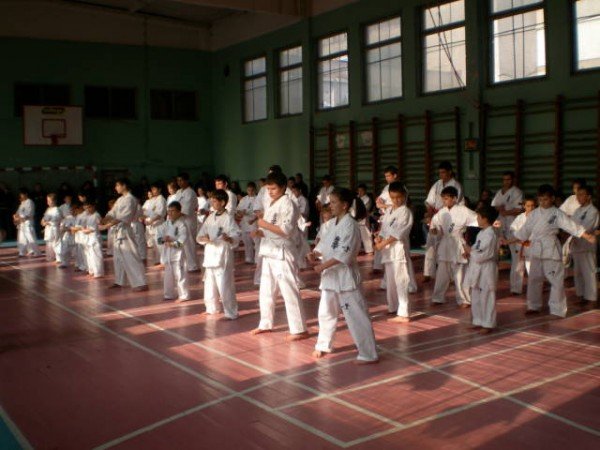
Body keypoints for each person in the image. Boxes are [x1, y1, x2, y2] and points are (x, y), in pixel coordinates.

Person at [308, 188, 379, 364]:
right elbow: (325, 245)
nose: (330, 205)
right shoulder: (332, 224)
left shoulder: (351, 225)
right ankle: (324, 345)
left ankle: (368, 353)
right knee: (325, 313)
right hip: (330, 277)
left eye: (333, 202)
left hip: (345, 278)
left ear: (345, 205)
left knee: (356, 316)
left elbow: (344, 254)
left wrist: (322, 266)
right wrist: (314, 254)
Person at [514, 184, 595, 317]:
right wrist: (511, 239)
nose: (543, 202)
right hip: (536, 248)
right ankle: (533, 305)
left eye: (545, 199)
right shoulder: (534, 213)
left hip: (551, 249)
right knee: (534, 279)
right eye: (540, 199)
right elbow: (525, 230)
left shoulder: (557, 213)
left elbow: (571, 226)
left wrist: (587, 236)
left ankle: (557, 309)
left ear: (552, 198)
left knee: (556, 280)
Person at [250, 172, 308, 340]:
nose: (270, 192)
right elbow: (270, 229)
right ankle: (265, 324)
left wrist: (264, 224)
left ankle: (299, 329)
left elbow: (285, 231)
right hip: (269, 251)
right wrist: (260, 232)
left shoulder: (289, 204)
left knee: (289, 290)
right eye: (268, 189)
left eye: (273, 188)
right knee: (266, 290)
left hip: (282, 252)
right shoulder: (271, 203)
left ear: (283, 187)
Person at [429, 186, 477, 307]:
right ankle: (438, 297)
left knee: (459, 274)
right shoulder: (442, 212)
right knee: (442, 273)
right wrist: (434, 230)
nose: (444, 201)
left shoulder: (463, 210)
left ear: (455, 198)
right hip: (445, 243)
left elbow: (478, 219)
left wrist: (492, 223)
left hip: (458, 243)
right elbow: (434, 225)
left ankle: (464, 299)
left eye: (446, 198)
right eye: (443, 199)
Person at [197, 189, 241, 318]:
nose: (212, 203)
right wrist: (204, 238)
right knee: (209, 283)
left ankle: (231, 312)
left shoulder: (228, 218)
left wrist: (230, 238)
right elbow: (200, 234)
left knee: (225, 284)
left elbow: (236, 234)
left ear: (222, 202)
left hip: (222, 253)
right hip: (210, 252)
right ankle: (211, 308)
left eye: (215, 201)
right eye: (211, 201)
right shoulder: (210, 217)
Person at [374, 182, 414, 323]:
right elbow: (384, 229)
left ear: (404, 196)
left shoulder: (405, 211)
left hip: (398, 249)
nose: (396, 200)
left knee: (401, 280)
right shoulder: (389, 211)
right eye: (393, 197)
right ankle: (393, 307)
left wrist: (383, 243)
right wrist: (379, 237)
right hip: (388, 251)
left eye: (399, 197)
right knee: (390, 281)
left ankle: (404, 313)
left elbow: (399, 233)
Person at [99, 179, 148, 291]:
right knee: (118, 258)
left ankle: (141, 283)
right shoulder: (120, 199)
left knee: (131, 257)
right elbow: (112, 213)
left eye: (117, 185)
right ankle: (119, 281)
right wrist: (103, 220)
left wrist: (106, 226)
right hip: (117, 231)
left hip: (125, 230)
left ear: (124, 186)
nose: (116, 188)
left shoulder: (130, 199)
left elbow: (123, 217)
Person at [424, 161, 464, 282]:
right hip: (436, 216)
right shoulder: (437, 184)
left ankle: (451, 275)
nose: (441, 175)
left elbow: (455, 204)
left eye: (443, 172)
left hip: (450, 218)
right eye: (440, 173)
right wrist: (430, 213)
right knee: (430, 244)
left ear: (450, 172)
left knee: (448, 246)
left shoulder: (456, 185)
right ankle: (428, 272)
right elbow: (429, 202)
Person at [464, 205, 499, 334]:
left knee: (487, 296)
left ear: (485, 219)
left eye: (478, 217)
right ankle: (478, 320)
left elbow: (484, 255)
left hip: (487, 269)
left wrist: (470, 251)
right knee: (476, 296)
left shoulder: (490, 235)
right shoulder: (481, 233)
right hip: (477, 268)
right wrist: (469, 252)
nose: (477, 219)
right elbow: (477, 249)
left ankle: (488, 323)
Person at [491, 171, 523, 294]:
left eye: (508, 179)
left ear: (513, 180)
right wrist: (500, 209)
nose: (506, 182)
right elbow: (495, 205)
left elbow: (519, 209)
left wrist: (506, 212)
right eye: (504, 179)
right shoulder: (500, 192)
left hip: (512, 223)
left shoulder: (517, 192)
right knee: (492, 247)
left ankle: (516, 288)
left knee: (516, 255)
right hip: (499, 221)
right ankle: (491, 283)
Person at [570, 185, 599, 305]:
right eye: (577, 194)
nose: (578, 197)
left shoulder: (593, 211)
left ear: (589, 196)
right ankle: (581, 295)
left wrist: (574, 232)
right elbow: (571, 225)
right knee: (578, 273)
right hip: (576, 244)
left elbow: (587, 228)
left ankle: (591, 298)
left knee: (589, 272)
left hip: (587, 245)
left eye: (581, 194)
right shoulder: (577, 211)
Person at [157, 201, 190, 302]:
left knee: (180, 275)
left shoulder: (182, 224)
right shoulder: (165, 224)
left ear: (179, 212)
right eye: (169, 211)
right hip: (167, 253)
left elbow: (183, 239)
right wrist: (163, 239)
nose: (170, 213)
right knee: (168, 275)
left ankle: (184, 295)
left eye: (173, 211)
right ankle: (168, 294)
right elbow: (158, 238)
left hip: (178, 253)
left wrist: (172, 243)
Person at [505, 196, 537, 294]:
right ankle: (515, 289)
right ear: (524, 206)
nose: (530, 208)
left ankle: (534, 289)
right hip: (520, 245)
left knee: (532, 268)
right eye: (528, 206)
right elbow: (513, 229)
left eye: (532, 206)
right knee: (517, 267)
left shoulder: (538, 217)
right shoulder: (520, 217)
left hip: (532, 245)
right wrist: (519, 236)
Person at [176, 173, 200, 272]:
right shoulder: (178, 192)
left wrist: (174, 215)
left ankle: (193, 266)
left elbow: (186, 209)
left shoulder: (190, 192)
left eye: (181, 180)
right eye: (178, 180)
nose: (179, 182)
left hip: (188, 220)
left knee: (189, 243)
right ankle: (185, 264)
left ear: (187, 181)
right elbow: (175, 205)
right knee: (182, 243)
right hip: (179, 220)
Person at [13, 188, 41, 257]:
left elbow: (29, 214)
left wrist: (20, 218)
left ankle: (36, 252)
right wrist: (15, 216)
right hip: (22, 223)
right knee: (21, 238)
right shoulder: (22, 203)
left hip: (28, 222)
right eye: (20, 195)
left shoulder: (30, 202)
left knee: (31, 238)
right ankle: (22, 252)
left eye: (22, 195)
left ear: (26, 194)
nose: (21, 196)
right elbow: (18, 213)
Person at [237, 182, 258, 264]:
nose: (250, 192)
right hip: (245, 223)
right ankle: (249, 258)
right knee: (247, 242)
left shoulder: (258, 199)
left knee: (257, 242)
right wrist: (241, 212)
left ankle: (257, 259)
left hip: (254, 223)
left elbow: (260, 212)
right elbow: (238, 210)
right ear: (247, 190)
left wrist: (253, 218)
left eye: (252, 190)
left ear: (255, 190)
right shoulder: (243, 199)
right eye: (249, 190)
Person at [81, 201, 104, 278]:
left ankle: (98, 272)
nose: (88, 209)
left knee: (96, 256)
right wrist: (84, 229)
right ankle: (92, 271)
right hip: (89, 238)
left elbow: (98, 226)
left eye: (89, 207)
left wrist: (87, 230)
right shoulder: (89, 216)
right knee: (90, 256)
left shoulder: (96, 215)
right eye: (86, 208)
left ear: (93, 207)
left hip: (95, 237)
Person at [41, 193, 62, 263]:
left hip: (54, 228)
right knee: (49, 243)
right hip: (48, 228)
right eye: (47, 200)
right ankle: (51, 257)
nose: (48, 202)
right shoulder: (48, 209)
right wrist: (43, 222)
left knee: (56, 242)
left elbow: (56, 219)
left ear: (54, 201)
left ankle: (59, 258)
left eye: (49, 201)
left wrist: (47, 222)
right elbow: (44, 218)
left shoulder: (57, 209)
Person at [356, 184, 373, 255]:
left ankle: (370, 250)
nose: (360, 192)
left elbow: (367, 209)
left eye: (361, 191)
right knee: (356, 236)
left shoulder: (367, 199)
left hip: (364, 219)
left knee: (366, 235)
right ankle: (357, 250)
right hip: (356, 219)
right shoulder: (356, 198)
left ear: (365, 191)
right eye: (358, 191)